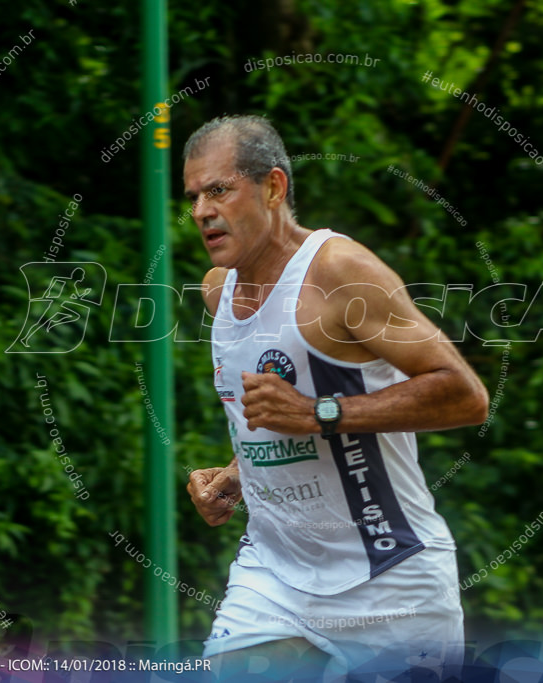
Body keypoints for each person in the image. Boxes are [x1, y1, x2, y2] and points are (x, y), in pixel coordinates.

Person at [183, 115, 489, 681]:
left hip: (390, 576)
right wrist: (236, 472)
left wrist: (319, 414)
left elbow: (465, 396)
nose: (201, 210)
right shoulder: (217, 291)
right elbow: (275, 422)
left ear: (273, 187)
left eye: (219, 189)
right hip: (274, 573)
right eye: (194, 195)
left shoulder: (339, 272)